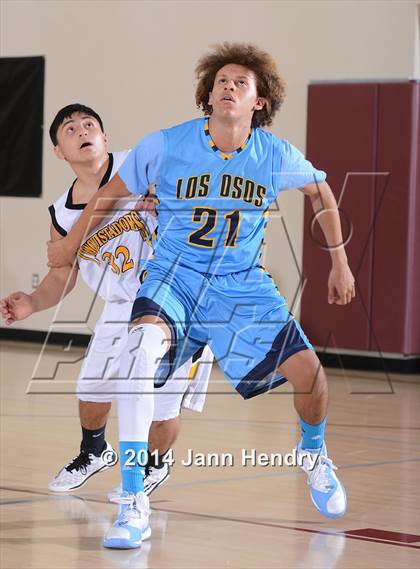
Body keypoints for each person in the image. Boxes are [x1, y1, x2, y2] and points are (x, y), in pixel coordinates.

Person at [47, 44, 355, 549]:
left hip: (241, 285)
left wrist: (339, 262)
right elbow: (108, 195)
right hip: (175, 278)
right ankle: (132, 503)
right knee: (138, 356)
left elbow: (320, 191)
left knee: (311, 375)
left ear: (259, 101)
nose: (229, 87)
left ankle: (315, 455)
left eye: (241, 83)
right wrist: (69, 243)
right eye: (222, 81)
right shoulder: (166, 145)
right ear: (208, 93)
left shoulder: (274, 153)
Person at [0, 102, 213, 517]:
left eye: (89, 124)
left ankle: (155, 464)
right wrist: (31, 302)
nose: (82, 130)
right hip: (120, 306)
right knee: (91, 389)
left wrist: (166, 198)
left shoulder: (139, 164)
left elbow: (193, 190)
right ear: (60, 152)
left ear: (105, 138)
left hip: (175, 297)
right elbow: (62, 277)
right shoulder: (62, 213)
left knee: (162, 404)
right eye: (69, 129)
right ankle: (94, 452)